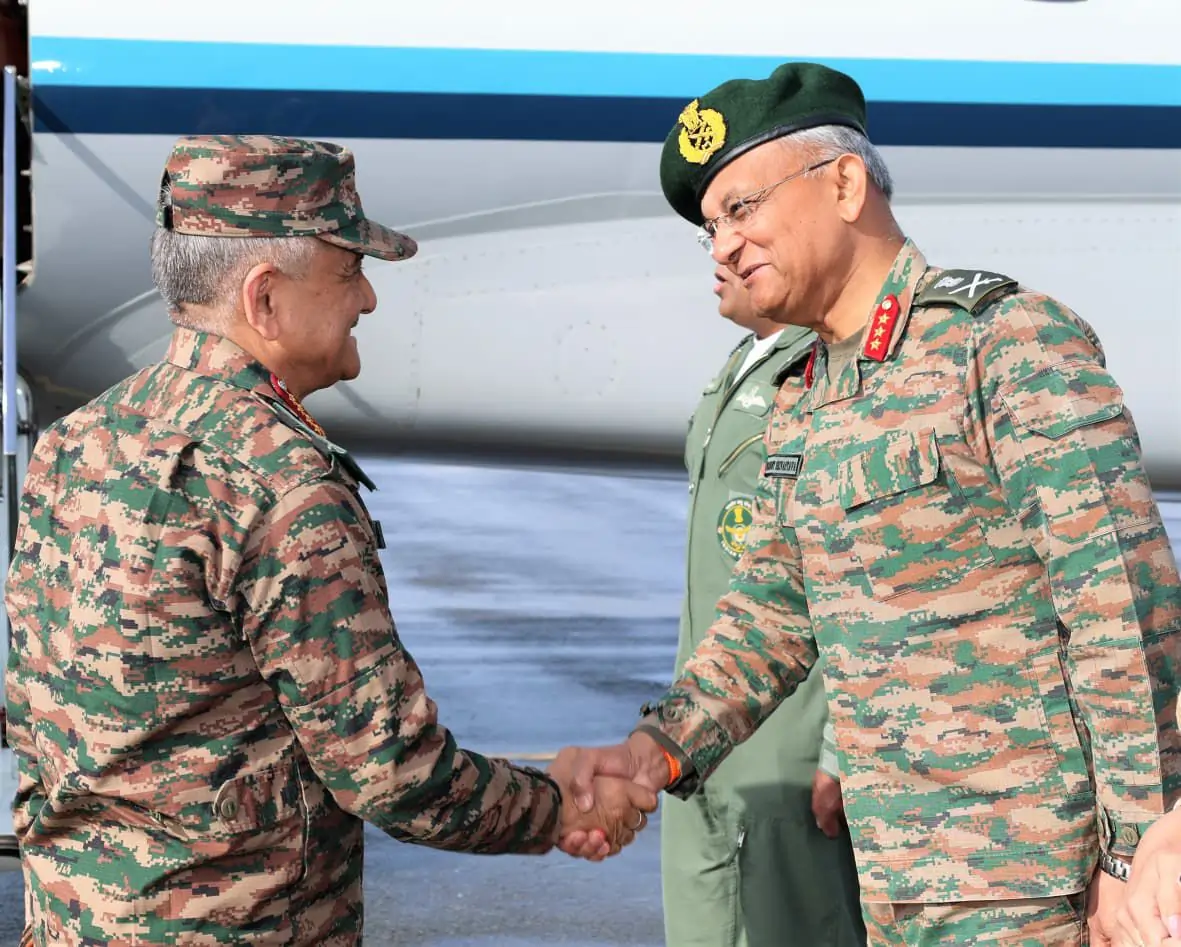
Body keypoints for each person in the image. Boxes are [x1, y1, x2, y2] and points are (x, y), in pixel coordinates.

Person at [555, 62, 1181, 946]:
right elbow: (770, 615)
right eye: (709, 230)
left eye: (742, 207)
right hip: (898, 886)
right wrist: (651, 753)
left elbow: (1120, 606)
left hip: (1035, 883)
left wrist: (1138, 848)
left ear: (844, 182)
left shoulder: (1000, 343)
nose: (724, 246)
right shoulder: (805, 396)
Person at [3, 134, 655, 947]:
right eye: (348, 271)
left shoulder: (80, 442)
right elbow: (390, 770)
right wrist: (554, 807)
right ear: (264, 298)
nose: (368, 300)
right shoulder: (279, 481)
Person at [661, 264, 864, 946]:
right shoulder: (739, 370)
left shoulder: (827, 372)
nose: (719, 254)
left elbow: (853, 567)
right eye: (708, 234)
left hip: (788, 748)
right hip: (707, 728)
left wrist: (840, 746)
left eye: (736, 223)